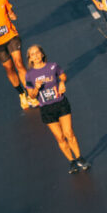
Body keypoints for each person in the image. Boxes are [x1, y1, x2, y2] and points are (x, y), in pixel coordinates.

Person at [24, 44, 91, 173]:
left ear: (42, 54)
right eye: (33, 54)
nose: (36, 56)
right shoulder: (29, 75)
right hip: (46, 109)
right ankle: (71, 161)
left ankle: (79, 158)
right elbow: (31, 95)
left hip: (60, 104)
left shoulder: (52, 66)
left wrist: (61, 83)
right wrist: (37, 88)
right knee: (60, 137)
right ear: (30, 59)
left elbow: (63, 75)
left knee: (69, 133)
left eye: (38, 53)